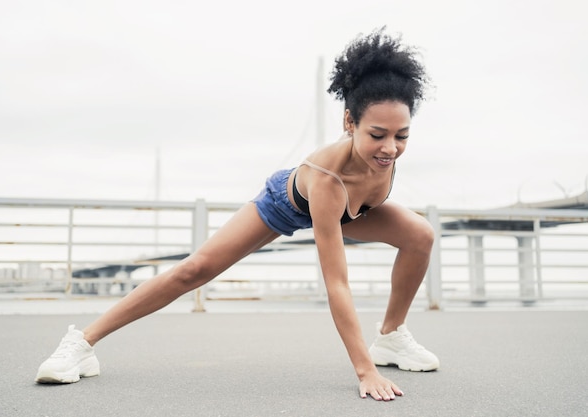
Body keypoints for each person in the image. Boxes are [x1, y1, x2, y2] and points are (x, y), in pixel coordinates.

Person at [35, 26, 439, 401]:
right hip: (287, 204)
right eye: (377, 135)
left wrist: (384, 161)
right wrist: (365, 372)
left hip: (350, 211)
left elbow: (370, 196)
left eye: (401, 136)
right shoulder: (327, 177)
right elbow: (336, 283)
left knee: (420, 235)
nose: (390, 148)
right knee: (194, 271)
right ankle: (82, 343)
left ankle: (390, 335)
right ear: (349, 122)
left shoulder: (385, 159)